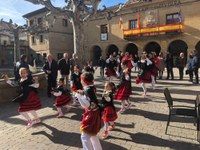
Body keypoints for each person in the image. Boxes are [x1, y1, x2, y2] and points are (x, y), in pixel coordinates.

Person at [75, 72, 102, 150]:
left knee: (85, 135)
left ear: (83, 81)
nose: (80, 81)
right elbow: (88, 94)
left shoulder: (87, 90)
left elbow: (86, 105)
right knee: (92, 134)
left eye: (81, 80)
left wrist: (79, 96)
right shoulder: (91, 87)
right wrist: (81, 93)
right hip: (95, 113)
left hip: (92, 114)